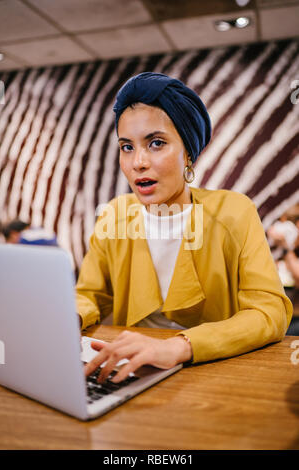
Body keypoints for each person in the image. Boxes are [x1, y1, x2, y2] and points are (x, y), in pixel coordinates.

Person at [76, 72, 293, 384]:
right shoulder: (114, 215)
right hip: (130, 374)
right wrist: (69, 316)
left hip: (215, 375)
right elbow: (90, 294)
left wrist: (181, 346)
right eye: (127, 147)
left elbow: (269, 313)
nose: (138, 162)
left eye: (156, 143)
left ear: (188, 152)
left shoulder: (234, 212)